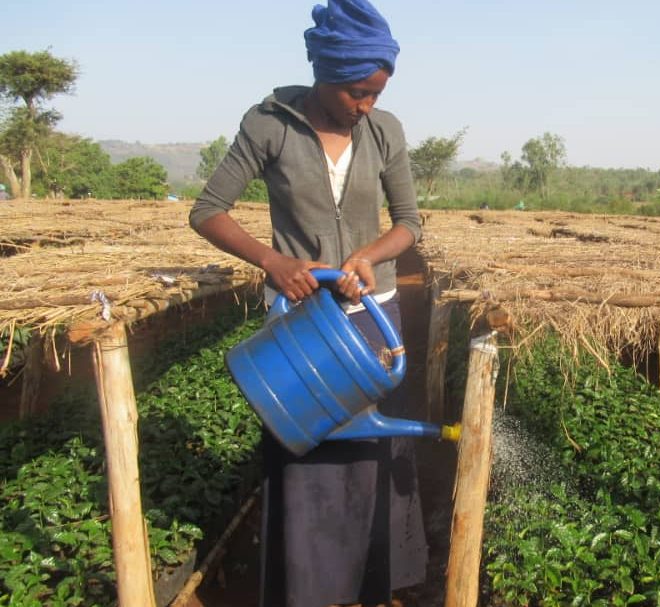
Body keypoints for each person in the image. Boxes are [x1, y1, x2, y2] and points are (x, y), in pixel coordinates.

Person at [188, 1, 425, 605]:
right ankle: (311, 591)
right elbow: (208, 211)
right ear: (324, 72)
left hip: (375, 318)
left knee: (371, 452)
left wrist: (368, 257)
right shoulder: (269, 124)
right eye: (356, 92)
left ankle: (375, 588)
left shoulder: (386, 130)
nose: (365, 105)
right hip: (303, 326)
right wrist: (274, 262)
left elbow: (409, 225)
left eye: (375, 93)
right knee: (307, 459)